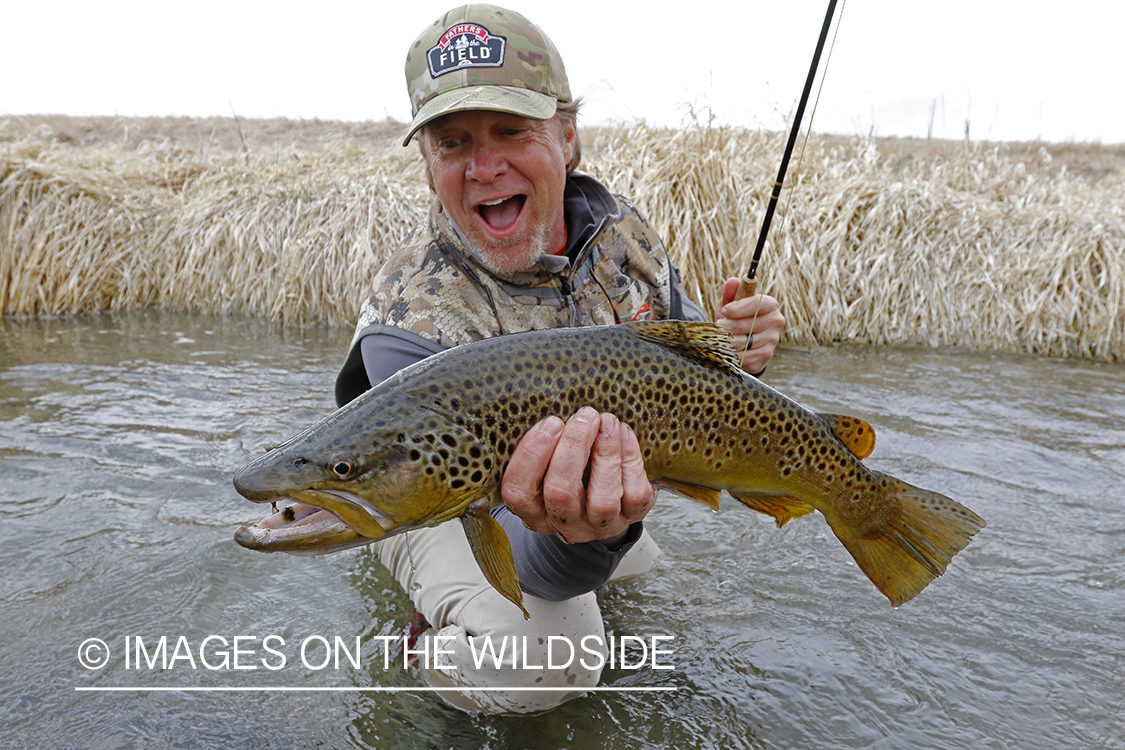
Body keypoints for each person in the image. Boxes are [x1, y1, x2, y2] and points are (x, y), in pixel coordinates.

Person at [334, 4, 784, 713]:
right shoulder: (409, 314)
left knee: (708, 625)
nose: (485, 167)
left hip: (596, 508)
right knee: (551, 662)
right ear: (428, 166)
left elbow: (691, 361)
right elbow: (534, 560)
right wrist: (588, 545)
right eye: (451, 143)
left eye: (511, 131)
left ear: (567, 136)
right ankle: (428, 658)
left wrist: (740, 357)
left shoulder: (621, 235)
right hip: (440, 506)